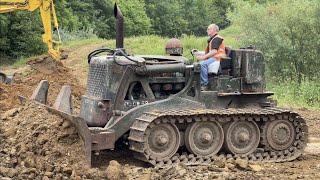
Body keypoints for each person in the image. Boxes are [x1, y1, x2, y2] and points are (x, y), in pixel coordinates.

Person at [195, 24, 226, 91]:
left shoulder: (217, 38)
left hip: (217, 58)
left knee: (202, 64)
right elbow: (210, 52)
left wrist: (203, 57)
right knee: (198, 64)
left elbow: (214, 51)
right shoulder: (213, 39)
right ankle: (198, 83)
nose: (207, 30)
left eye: (209, 29)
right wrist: (198, 53)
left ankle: (204, 84)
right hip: (214, 58)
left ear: (215, 30)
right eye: (207, 29)